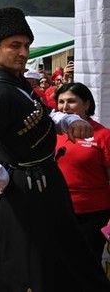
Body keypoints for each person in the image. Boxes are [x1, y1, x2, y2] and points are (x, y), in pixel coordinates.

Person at [0, 7, 110, 291]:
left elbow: (42, 113)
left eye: (26, 46)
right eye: (14, 46)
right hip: (27, 188)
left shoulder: (14, 81)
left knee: (61, 259)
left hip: (41, 182)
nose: (23, 53)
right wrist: (4, 180)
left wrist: (67, 120)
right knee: (30, 266)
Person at [54, 82, 110, 261]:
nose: (65, 107)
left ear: (86, 104)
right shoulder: (52, 133)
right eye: (61, 101)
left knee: (87, 265)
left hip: (92, 215)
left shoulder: (103, 135)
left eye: (71, 101)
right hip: (57, 210)